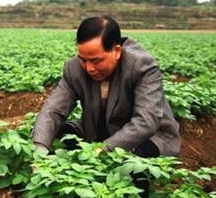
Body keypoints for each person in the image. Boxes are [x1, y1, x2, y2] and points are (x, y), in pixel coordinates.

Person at [32, 16, 180, 158]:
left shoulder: (141, 66)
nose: (89, 68)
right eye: (83, 60)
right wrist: (40, 147)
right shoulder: (74, 68)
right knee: (58, 134)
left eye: (96, 61)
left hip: (148, 136)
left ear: (116, 51)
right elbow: (53, 110)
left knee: (135, 162)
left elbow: (146, 121)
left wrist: (103, 150)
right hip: (96, 129)